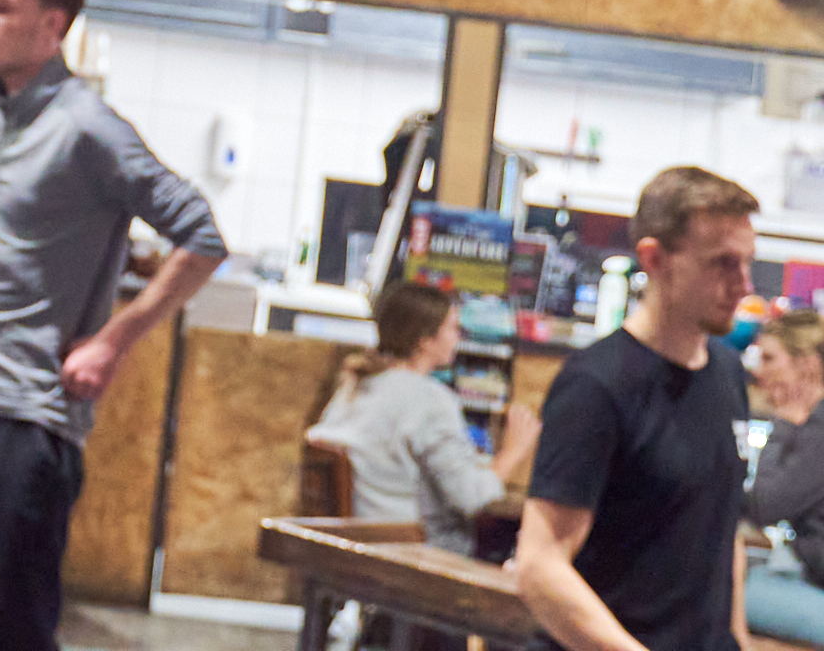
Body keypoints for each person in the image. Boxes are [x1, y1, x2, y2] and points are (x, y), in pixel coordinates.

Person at [0, 0, 226, 651]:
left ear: (54, 24)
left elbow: (202, 236)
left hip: (26, 422)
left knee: (19, 631)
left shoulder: (88, 129)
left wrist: (116, 338)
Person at [518, 167, 760, 651]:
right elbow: (540, 565)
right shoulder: (597, 384)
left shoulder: (728, 373)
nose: (743, 285)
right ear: (654, 258)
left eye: (747, 263)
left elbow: (720, 528)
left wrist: (737, 640)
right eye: (722, 264)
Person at [309, 279, 537, 548]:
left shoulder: (353, 386)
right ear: (425, 341)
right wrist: (513, 451)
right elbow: (473, 498)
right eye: (452, 328)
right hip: (414, 553)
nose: (458, 337)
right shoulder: (430, 400)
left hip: (356, 547)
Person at [747, 310, 824, 647]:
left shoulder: (818, 431)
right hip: (810, 575)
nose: (758, 371)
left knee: (712, 594)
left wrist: (782, 423)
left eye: (769, 359)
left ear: (806, 365)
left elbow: (764, 505)